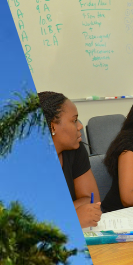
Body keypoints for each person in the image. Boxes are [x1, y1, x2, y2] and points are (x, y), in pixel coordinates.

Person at [39, 91, 102, 228]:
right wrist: (72, 217)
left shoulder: (76, 149)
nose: (80, 126)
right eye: (74, 120)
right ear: (52, 126)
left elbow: (93, 201)